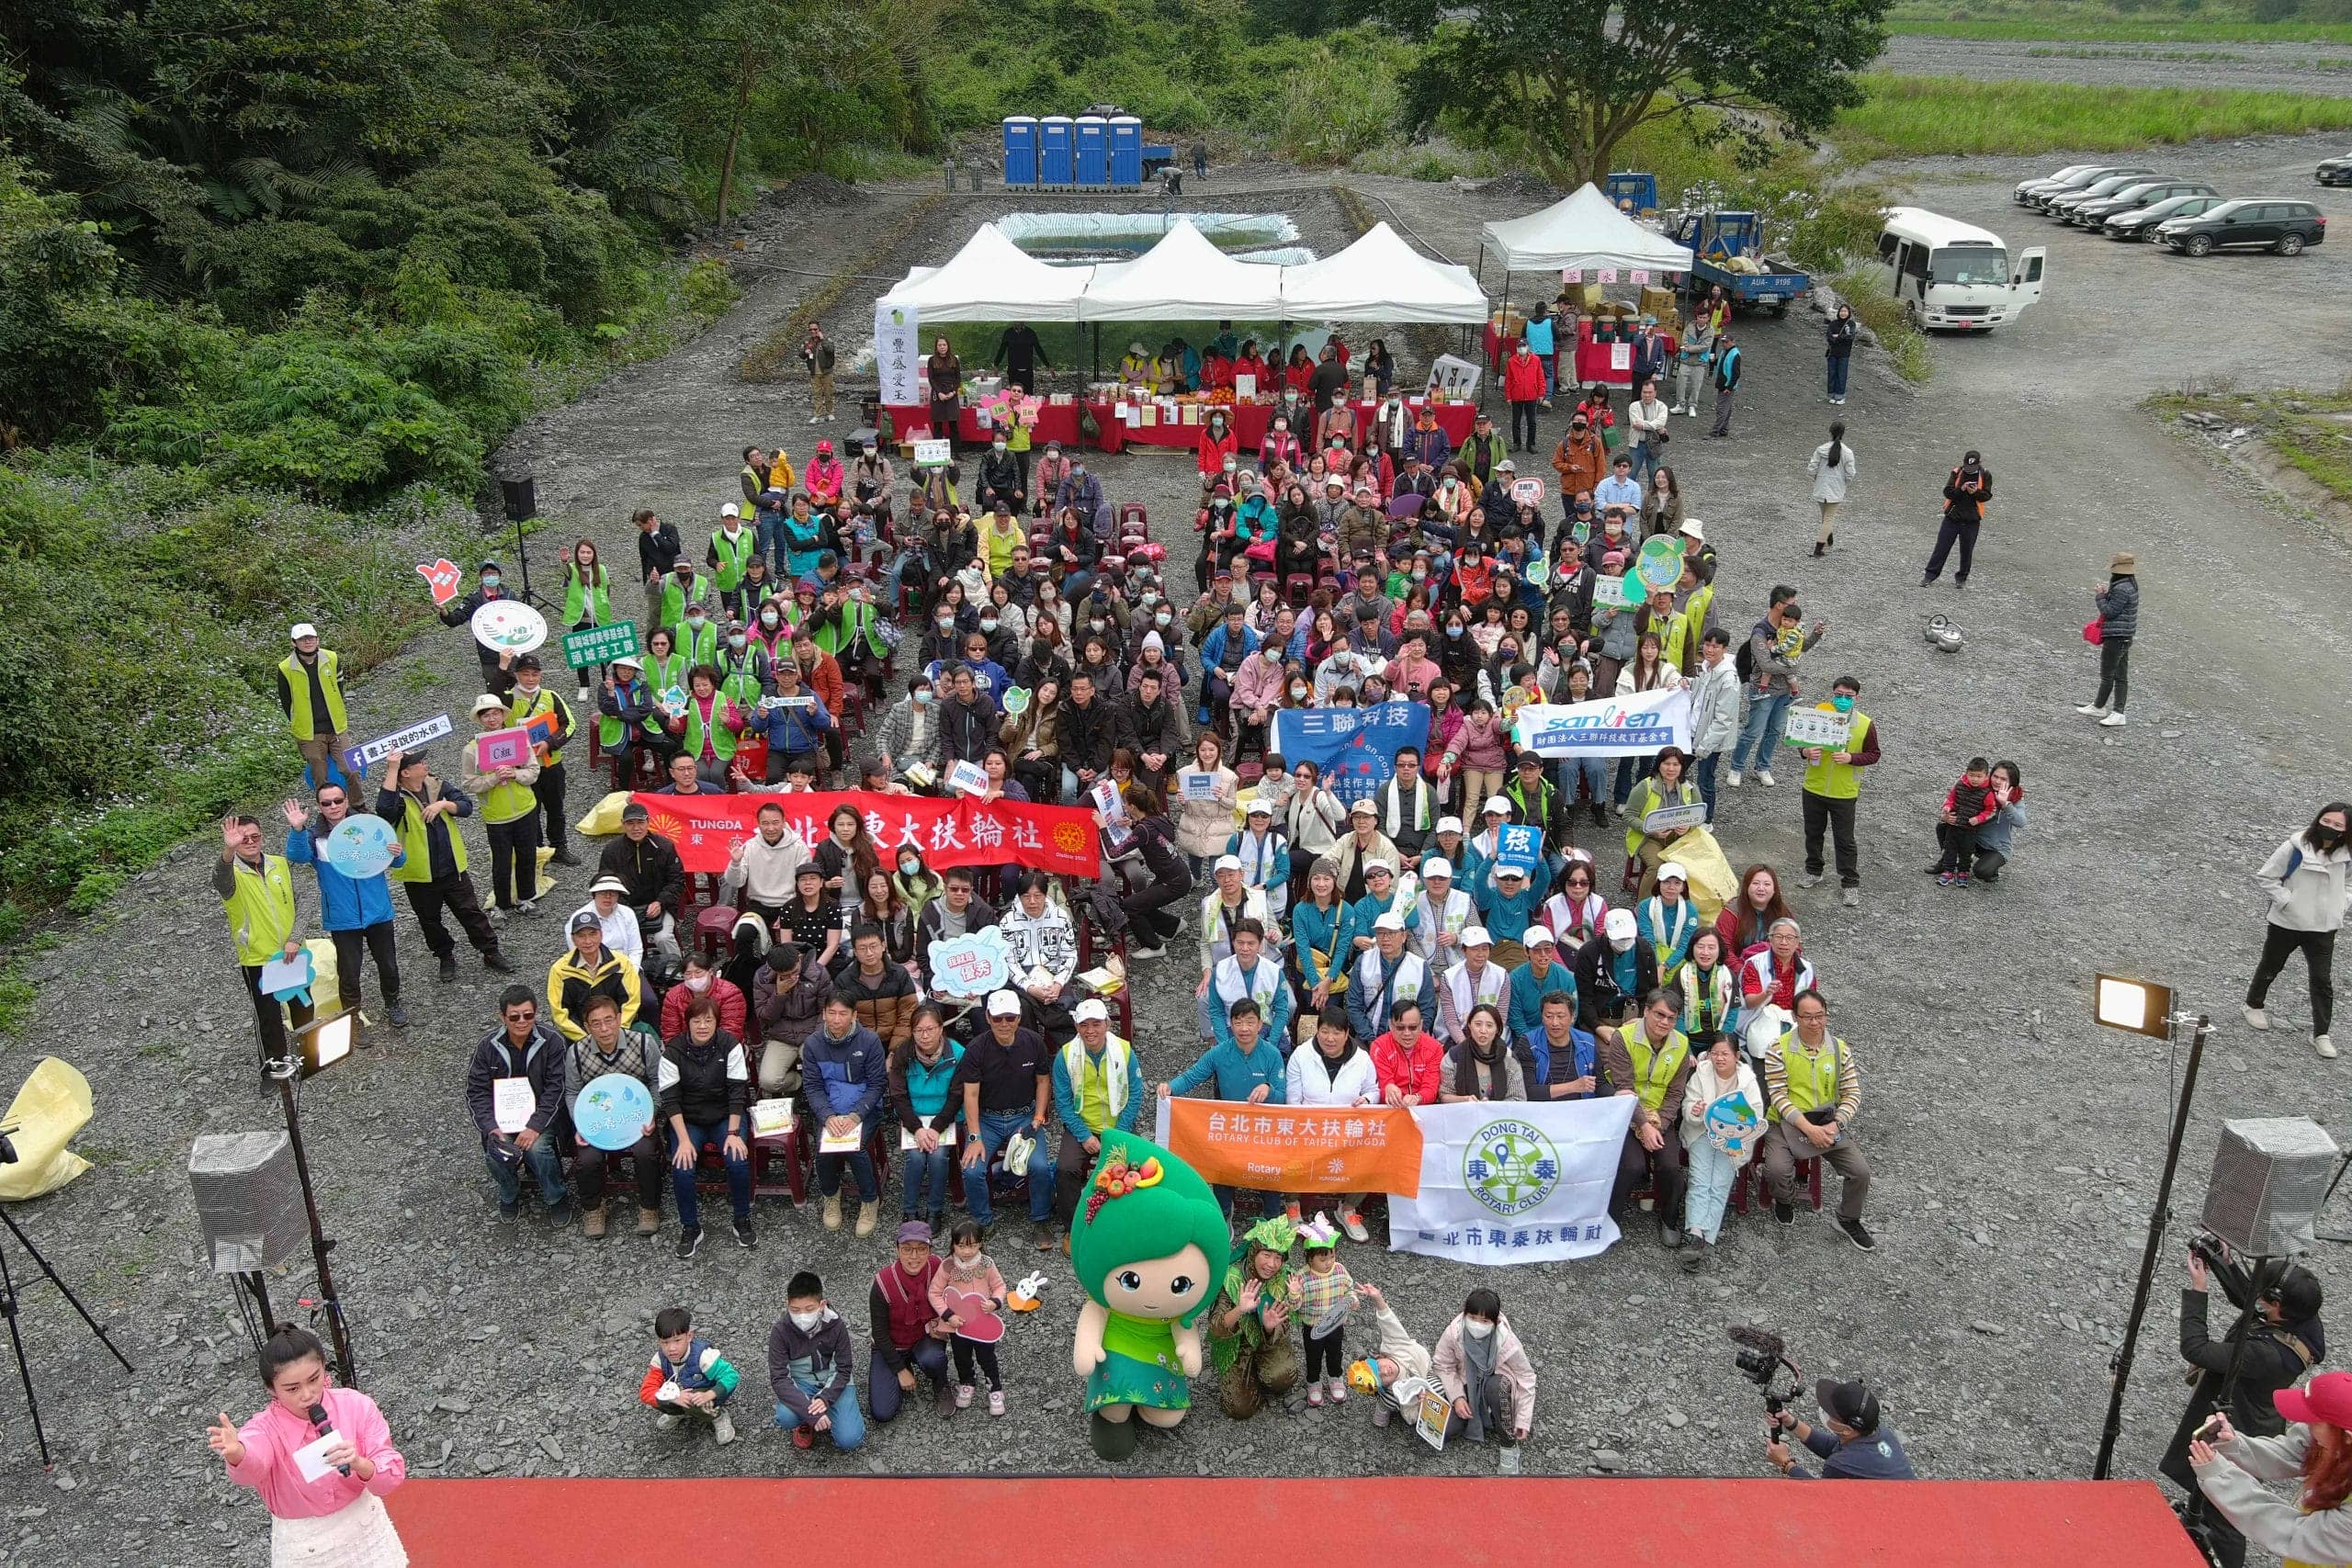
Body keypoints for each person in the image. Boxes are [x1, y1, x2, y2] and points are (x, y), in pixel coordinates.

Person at [2164, 1249, 2326, 1568]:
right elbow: (2251, 1299)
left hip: (2241, 1423)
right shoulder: (2302, 1316)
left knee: (2227, 1511)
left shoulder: (2265, 1354)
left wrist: (2199, 1290)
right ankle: (2196, 1518)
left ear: (2277, 1303)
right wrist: (2225, 1263)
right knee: (2211, 1492)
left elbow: (2197, 1350)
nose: (2257, 1295)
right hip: (2256, 1414)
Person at [207, 1324, 408, 1562]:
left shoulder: (356, 1405)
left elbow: (390, 1476)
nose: (307, 1394)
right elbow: (252, 1466)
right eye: (292, 1388)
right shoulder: (265, 1428)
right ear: (271, 1390)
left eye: (314, 1379)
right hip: (306, 1546)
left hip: (365, 1528)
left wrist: (360, 1464)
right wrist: (238, 1454)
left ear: (324, 1367)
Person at [378, 749, 510, 983]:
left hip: (452, 867)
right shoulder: (397, 797)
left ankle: (490, 951)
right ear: (406, 772)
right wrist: (391, 769)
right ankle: (445, 955)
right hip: (419, 875)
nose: (425, 764)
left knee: (471, 912)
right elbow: (384, 812)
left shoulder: (438, 785)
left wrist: (444, 805)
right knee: (430, 920)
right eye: (419, 762)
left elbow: (466, 807)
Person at [281, 789, 408, 1030]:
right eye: (326, 803)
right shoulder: (315, 837)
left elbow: (397, 861)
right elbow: (296, 856)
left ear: (347, 801)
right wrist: (297, 829)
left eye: (338, 800)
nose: (333, 806)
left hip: (378, 912)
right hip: (342, 917)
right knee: (349, 972)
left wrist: (398, 855)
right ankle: (353, 1017)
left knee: (388, 964)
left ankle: (392, 1003)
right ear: (320, 806)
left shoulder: (369, 828)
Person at [1761, 988, 1871, 1248]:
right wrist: (1807, 1128)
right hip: (1786, 1121)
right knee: (1776, 1170)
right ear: (1794, 1017)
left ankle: (1848, 1218)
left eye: (1820, 1016)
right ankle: (1785, 1199)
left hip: (1826, 1120)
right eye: (1807, 1016)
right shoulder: (1778, 1048)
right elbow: (1777, 1095)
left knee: (1860, 1172)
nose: (1815, 1022)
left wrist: (1837, 1123)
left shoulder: (1839, 1049)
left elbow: (1852, 1092)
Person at [1163, 998, 1291, 1222]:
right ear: (1230, 1024)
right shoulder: (1220, 1052)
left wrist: (1268, 1089)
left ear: (1260, 1024)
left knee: (1269, 1174)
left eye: (1250, 1022)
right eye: (1238, 1022)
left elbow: (1283, 1098)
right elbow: (1193, 1076)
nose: (1244, 1029)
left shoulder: (1272, 1054)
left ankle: (1271, 1220)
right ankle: (1223, 1215)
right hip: (1231, 1127)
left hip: (1264, 1129)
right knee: (1222, 1169)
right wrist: (1170, 1088)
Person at [2243, 801, 2350, 1060]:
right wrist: (2287, 902)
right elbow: (2266, 877)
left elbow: (2349, 885)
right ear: (2318, 819)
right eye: (2327, 821)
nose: (2330, 828)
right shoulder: (2295, 847)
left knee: (2322, 980)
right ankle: (2253, 1005)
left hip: (2323, 928)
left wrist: (2342, 903)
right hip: (2287, 923)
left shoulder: (2347, 856)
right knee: (2271, 965)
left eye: (2338, 825)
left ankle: (2321, 1034)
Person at [956, 990, 1058, 1246]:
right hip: (987, 1119)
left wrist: (1037, 1117)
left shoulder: (1034, 1042)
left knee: (1040, 1167)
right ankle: (982, 1220)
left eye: (1010, 1018)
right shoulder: (976, 1049)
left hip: (1023, 1117)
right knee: (971, 1170)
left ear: (1019, 1017)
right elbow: (970, 1094)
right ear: (988, 1017)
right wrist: (975, 1135)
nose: (1004, 1024)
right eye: (998, 1018)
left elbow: (1043, 1081)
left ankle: (1040, 1219)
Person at [466, 985, 571, 1227]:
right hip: (502, 1122)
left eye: (528, 1015)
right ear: (502, 1016)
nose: (522, 1021)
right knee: (496, 1154)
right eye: (514, 1016)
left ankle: (556, 1196)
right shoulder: (486, 1047)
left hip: (541, 1119)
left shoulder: (553, 1041)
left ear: (536, 1013)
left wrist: (535, 1126)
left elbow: (557, 1088)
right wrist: (491, 1128)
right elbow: (476, 1092)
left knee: (539, 1150)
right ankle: (509, 1193)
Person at [658, 995, 752, 1258]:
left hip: (725, 1116)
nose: (702, 1026)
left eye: (708, 1020)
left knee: (737, 1159)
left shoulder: (730, 1045)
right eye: (697, 1020)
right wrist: (684, 1140)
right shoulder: (673, 1052)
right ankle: (690, 1226)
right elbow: (671, 1100)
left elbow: (737, 1092)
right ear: (687, 1023)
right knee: (682, 1166)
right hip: (689, 1120)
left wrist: (734, 1133)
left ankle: (741, 1217)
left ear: (716, 1022)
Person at [565, 991, 663, 1239]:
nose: (604, 1029)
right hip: (598, 1121)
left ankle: (649, 1206)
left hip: (637, 1119)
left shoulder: (643, 1044)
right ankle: (593, 1208)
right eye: (596, 1023)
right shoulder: (576, 1053)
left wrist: (652, 1114)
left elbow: (657, 1082)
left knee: (645, 1152)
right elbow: (573, 1092)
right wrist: (581, 1125)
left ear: (619, 1018)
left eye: (609, 1020)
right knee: (586, 1159)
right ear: (586, 1027)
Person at [1602, 987, 1693, 1247]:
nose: (1664, 1022)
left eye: (1671, 1018)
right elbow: (1622, 1085)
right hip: (1625, 1111)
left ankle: (1669, 1218)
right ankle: (1610, 1219)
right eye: (1659, 1015)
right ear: (1646, 1011)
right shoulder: (1624, 1037)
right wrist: (1642, 1124)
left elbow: (1676, 1093)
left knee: (1671, 1167)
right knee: (1632, 1166)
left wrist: (1659, 1124)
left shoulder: (1681, 1044)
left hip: (1659, 1117)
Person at [1050, 998, 1145, 1230]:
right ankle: (1072, 1227)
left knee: (1136, 1167)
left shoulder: (1124, 1051)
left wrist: (1118, 1134)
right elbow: (1063, 1104)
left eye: (1096, 1024)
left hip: (1118, 1123)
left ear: (1107, 1024)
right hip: (1082, 1124)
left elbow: (1135, 1095)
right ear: (1076, 1027)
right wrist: (1084, 1136)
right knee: (1066, 1168)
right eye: (1084, 1025)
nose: (1090, 1031)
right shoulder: (1065, 1056)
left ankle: (1125, 1223)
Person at [1288, 1009, 1379, 1239]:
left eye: (1337, 1032)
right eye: (1324, 1031)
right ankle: (1292, 1206)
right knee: (1286, 1151)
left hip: (1347, 1131)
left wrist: (1367, 1099)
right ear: (1317, 1031)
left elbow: (1373, 1090)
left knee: (1371, 1156)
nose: (1330, 1038)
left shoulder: (1362, 1058)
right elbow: (1293, 1102)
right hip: (1309, 1129)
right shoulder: (1301, 1055)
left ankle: (1347, 1209)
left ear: (1347, 1033)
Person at [1676, 1032, 1761, 1272]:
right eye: (1715, 1053)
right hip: (1702, 1131)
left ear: (1736, 1056)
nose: (1719, 1058)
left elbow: (1755, 1114)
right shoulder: (1701, 1073)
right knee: (1700, 1179)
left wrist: (1737, 1126)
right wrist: (1695, 1110)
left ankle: (1704, 1237)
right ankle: (1696, 1233)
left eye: (1725, 1054)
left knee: (1720, 1182)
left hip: (1733, 1138)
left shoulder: (1747, 1079)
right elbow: (1688, 1105)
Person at [1207, 1216, 1304, 1419]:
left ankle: (1260, 1370)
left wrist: (1269, 1327)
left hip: (1267, 1340)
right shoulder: (1231, 1277)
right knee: (1239, 1409)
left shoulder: (1284, 1279)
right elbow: (1216, 1329)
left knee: (1284, 1379)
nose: (1272, 1264)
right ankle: (1246, 1377)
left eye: (1278, 1257)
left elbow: (1286, 1321)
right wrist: (1240, 1309)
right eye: (1266, 1254)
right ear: (1253, 1251)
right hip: (1237, 1343)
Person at [1797, 675, 1879, 908]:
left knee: (1845, 839)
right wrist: (1805, 752)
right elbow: (1800, 743)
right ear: (1832, 694)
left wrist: (1851, 758)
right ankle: (1814, 871)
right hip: (1814, 786)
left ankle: (1850, 883)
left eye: (1848, 696)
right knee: (1813, 832)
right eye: (1839, 695)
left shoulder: (1864, 724)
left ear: (1857, 698)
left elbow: (1874, 754)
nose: (1843, 700)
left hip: (1844, 792)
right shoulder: (1818, 717)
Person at [461, 692, 542, 916]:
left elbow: (533, 771)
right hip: (496, 815)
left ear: (503, 715)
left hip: (525, 807)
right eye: (485, 715)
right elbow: (469, 783)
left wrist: (515, 774)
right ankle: (502, 904)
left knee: (527, 855)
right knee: (501, 861)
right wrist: (493, 779)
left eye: (495, 713)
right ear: (479, 719)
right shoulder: (471, 749)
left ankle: (526, 898)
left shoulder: (519, 739)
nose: (491, 719)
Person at [1432, 1287, 1536, 1453]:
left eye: (1485, 1321)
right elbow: (1443, 1364)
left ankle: (1508, 1445)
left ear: (1495, 1322)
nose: (1477, 1325)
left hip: (1496, 1384)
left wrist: (1523, 1420)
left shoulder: (1506, 1340)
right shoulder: (1454, 1333)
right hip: (1467, 1383)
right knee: (1445, 1429)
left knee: (1496, 1387)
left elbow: (1526, 1376)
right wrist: (1457, 1397)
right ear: (1464, 1314)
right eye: (1472, 1318)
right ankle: (1485, 1416)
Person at [770, 1271, 864, 1451]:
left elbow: (844, 1368)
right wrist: (809, 1411)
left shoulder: (837, 1325)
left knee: (850, 1441)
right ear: (787, 1304)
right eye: (795, 1310)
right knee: (785, 1417)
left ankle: (831, 1409)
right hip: (802, 1382)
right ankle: (807, 1419)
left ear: (822, 1305)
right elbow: (779, 1378)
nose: (802, 1316)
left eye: (809, 1309)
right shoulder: (780, 1332)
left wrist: (825, 1398)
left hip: (834, 1381)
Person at [928, 1219, 1012, 1416]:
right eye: (961, 1246)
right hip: (958, 1325)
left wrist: (995, 1302)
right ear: (953, 1245)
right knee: (961, 1357)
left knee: (987, 1357)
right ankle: (967, 1383)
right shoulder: (947, 1266)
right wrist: (948, 1315)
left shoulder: (987, 1264)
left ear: (981, 1243)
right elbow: (934, 1292)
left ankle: (995, 1388)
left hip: (983, 1324)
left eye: (973, 1246)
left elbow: (1000, 1286)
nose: (967, 1251)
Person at [595, 801, 684, 974]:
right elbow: (605, 884)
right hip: (623, 908)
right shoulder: (611, 851)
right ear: (623, 824)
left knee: (663, 937)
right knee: (616, 940)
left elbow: (677, 880)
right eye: (630, 823)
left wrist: (660, 902)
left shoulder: (664, 846)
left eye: (640, 822)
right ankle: (623, 974)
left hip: (660, 907)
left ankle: (677, 972)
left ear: (648, 822)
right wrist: (622, 908)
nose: (636, 828)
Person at [1767, 1378, 1915, 1479]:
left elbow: (1820, 1495)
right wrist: (1790, 1422)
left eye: (1830, 1414)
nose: (1825, 1413)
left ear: (1848, 1430)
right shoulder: (1882, 1434)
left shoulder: (1840, 1465)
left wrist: (1785, 1463)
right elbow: (1833, 1446)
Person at [277, 623, 353, 788]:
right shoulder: (285, 668)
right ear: (293, 642)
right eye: (302, 639)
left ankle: (359, 807)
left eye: (310, 638)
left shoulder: (332, 658)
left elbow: (339, 687)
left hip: (336, 726)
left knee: (351, 769)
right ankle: (326, 808)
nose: (307, 642)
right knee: (319, 775)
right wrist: (298, 723)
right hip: (309, 732)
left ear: (317, 639)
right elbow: (286, 701)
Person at [1294, 1220, 1356, 1406]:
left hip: (1336, 1323)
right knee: (1313, 1355)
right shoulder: (1302, 1277)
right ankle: (1313, 1381)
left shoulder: (1340, 1270)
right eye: (1322, 1259)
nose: (1329, 1262)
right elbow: (1294, 1306)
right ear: (1309, 1258)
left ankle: (1335, 1377)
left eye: (1332, 1256)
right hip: (1313, 1326)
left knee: (1335, 1352)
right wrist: (1294, 1293)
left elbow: (1349, 1288)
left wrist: (1352, 1298)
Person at [2078, 551, 2138, 728]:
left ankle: (2103, 708)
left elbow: (2109, 612)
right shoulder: (2130, 585)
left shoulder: (2121, 588)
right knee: (2121, 675)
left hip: (2116, 637)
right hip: (2125, 636)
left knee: (2108, 675)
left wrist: (2100, 596)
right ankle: (2113, 710)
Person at [1926, 756, 2002, 886]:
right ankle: (1948, 870)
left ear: (1985, 776)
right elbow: (1951, 797)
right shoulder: (1960, 784)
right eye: (1972, 775)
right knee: (1949, 848)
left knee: (1966, 852)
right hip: (1953, 824)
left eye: (1979, 776)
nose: (1975, 779)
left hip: (1970, 828)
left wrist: (1978, 819)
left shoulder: (1988, 793)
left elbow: (1991, 811)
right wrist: (1947, 807)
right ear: (1967, 773)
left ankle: (1963, 872)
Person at [1922, 449, 1992, 587]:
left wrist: (1975, 492)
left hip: (1972, 521)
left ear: (1979, 464)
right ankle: (1929, 576)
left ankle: (1961, 579)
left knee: (1967, 551)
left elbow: (1987, 495)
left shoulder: (1985, 474)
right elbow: (1947, 492)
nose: (1969, 470)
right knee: (1941, 548)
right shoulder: (1956, 472)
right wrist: (1962, 489)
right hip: (1952, 518)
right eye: (1967, 466)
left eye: (1972, 467)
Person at [1806, 422, 1855, 558]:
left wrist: (1816, 479)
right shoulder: (1848, 453)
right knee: (1829, 518)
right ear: (1843, 434)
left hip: (1821, 488)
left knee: (1825, 517)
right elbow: (1850, 473)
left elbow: (1811, 468)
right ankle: (1818, 548)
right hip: (1836, 490)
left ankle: (1828, 537)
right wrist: (1844, 483)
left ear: (1830, 432)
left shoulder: (1820, 449)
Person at [1503, 339, 1546, 454]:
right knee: (1515, 421)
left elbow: (1540, 377)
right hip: (1516, 395)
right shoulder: (1511, 361)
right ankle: (1516, 443)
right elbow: (1508, 379)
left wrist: (1541, 393)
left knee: (1532, 421)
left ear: (1527, 347)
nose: (1521, 348)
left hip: (1531, 395)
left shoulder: (1536, 360)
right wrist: (1508, 395)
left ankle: (1531, 444)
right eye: (1519, 346)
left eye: (1523, 345)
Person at [1707, 330, 1741, 438]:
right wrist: (1714, 361)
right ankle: (1724, 429)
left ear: (1732, 342)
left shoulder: (1735, 354)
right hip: (1723, 384)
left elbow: (1736, 374)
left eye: (1726, 342)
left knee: (1721, 409)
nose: (1724, 344)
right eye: (1723, 342)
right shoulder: (1725, 352)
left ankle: (1715, 431)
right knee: (1727, 408)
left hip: (1726, 386)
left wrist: (1729, 387)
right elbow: (1721, 364)